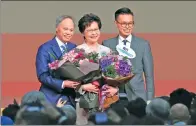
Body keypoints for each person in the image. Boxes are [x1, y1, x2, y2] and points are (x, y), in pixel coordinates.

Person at [103, 7, 155, 105]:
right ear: (116, 23)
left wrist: (149, 100)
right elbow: (104, 73)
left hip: (137, 96)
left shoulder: (143, 45)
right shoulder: (107, 44)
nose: (127, 26)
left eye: (130, 23)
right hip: (114, 96)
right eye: (124, 23)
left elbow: (149, 76)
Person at [76, 13, 119, 125]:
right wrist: (83, 86)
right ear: (83, 32)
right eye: (90, 30)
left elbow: (116, 77)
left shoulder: (107, 51)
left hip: (106, 102)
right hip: (84, 103)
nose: (94, 33)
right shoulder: (77, 52)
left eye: (96, 29)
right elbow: (69, 79)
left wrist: (115, 89)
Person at [35, 15, 80, 107]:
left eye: (71, 30)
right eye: (65, 29)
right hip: (51, 98)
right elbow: (42, 76)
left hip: (72, 98)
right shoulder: (45, 48)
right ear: (57, 28)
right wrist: (63, 83)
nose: (68, 33)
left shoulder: (75, 47)